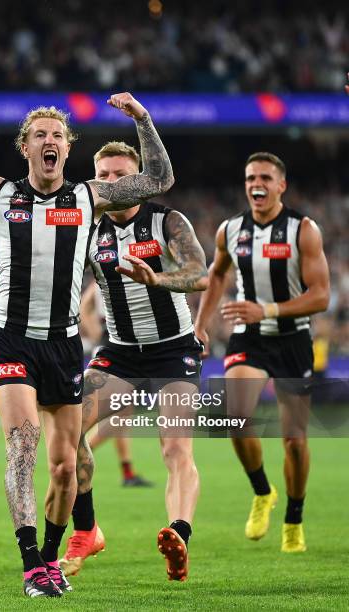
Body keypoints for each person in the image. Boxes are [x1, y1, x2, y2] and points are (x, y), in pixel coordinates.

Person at [0, 91, 174, 597]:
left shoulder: (89, 197)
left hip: (64, 346)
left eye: (57, 135)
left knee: (64, 465)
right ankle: (31, 562)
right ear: (25, 148)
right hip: (12, 341)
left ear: (67, 148)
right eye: (40, 136)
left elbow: (159, 179)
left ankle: (50, 559)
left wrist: (142, 118)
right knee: (22, 448)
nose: (49, 142)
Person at [59, 141, 208, 581]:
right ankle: (86, 529)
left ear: (140, 179)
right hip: (119, 354)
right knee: (67, 431)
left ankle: (178, 533)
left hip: (173, 350)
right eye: (102, 175)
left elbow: (198, 273)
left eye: (121, 174)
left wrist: (157, 278)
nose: (111, 183)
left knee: (175, 446)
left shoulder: (166, 221)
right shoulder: (88, 229)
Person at [195, 152, 330, 553]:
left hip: (292, 340)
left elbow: (321, 295)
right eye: (251, 176)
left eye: (266, 178)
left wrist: (267, 309)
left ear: (281, 186)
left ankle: (294, 517)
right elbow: (217, 273)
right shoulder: (230, 229)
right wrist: (200, 325)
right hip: (248, 336)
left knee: (294, 440)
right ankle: (262, 491)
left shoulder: (303, 230)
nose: (257, 183)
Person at [80, 279, 154, 487]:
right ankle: (82, 451)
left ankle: (127, 471)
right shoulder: (109, 276)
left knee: (123, 413)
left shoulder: (103, 277)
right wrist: (96, 334)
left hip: (112, 341)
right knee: (120, 413)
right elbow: (84, 307)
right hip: (114, 344)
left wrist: (95, 332)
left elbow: (84, 306)